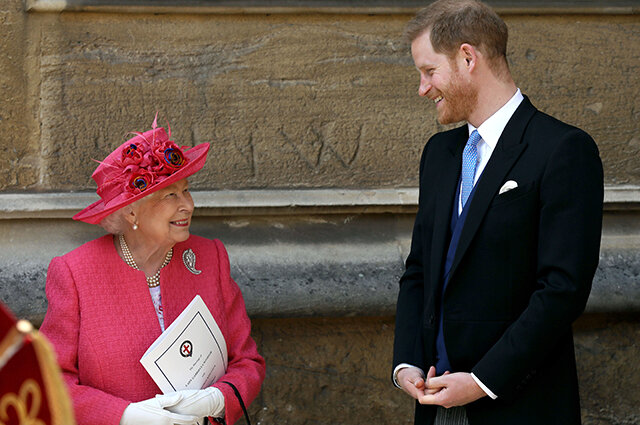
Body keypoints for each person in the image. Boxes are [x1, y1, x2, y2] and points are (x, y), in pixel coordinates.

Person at [392, 1, 603, 424]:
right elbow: (419, 271)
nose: (422, 88)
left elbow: (562, 290)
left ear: (468, 58)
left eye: (429, 71)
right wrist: (406, 364)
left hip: (519, 406)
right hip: (434, 407)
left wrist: (482, 381)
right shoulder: (439, 154)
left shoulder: (562, 150)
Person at [40, 116, 265, 425]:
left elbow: (247, 361)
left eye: (186, 191)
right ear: (132, 210)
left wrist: (216, 399)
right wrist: (124, 416)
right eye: (170, 195)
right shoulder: (75, 273)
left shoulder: (210, 257)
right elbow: (50, 383)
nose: (188, 205)